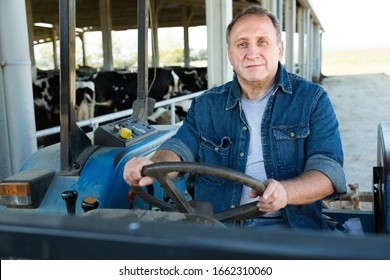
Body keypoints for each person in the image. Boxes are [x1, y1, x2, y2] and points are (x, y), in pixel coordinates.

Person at [123, 5, 347, 231]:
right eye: (242, 44)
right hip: (215, 225)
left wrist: (285, 192)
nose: (252, 53)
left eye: (262, 42)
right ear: (230, 55)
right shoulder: (206, 105)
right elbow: (179, 148)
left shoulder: (312, 99)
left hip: (287, 226)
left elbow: (328, 171)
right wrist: (151, 164)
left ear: (279, 49)